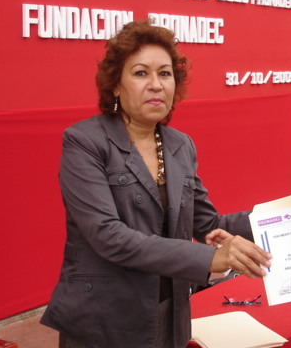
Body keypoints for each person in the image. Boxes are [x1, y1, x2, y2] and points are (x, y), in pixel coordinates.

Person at [40, 20, 271, 348]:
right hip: (105, 319)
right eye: (140, 73)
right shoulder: (85, 141)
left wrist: (285, 215)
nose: (156, 85)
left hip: (169, 312)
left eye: (165, 73)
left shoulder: (180, 145)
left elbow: (209, 225)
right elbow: (108, 236)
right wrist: (208, 259)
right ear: (115, 85)